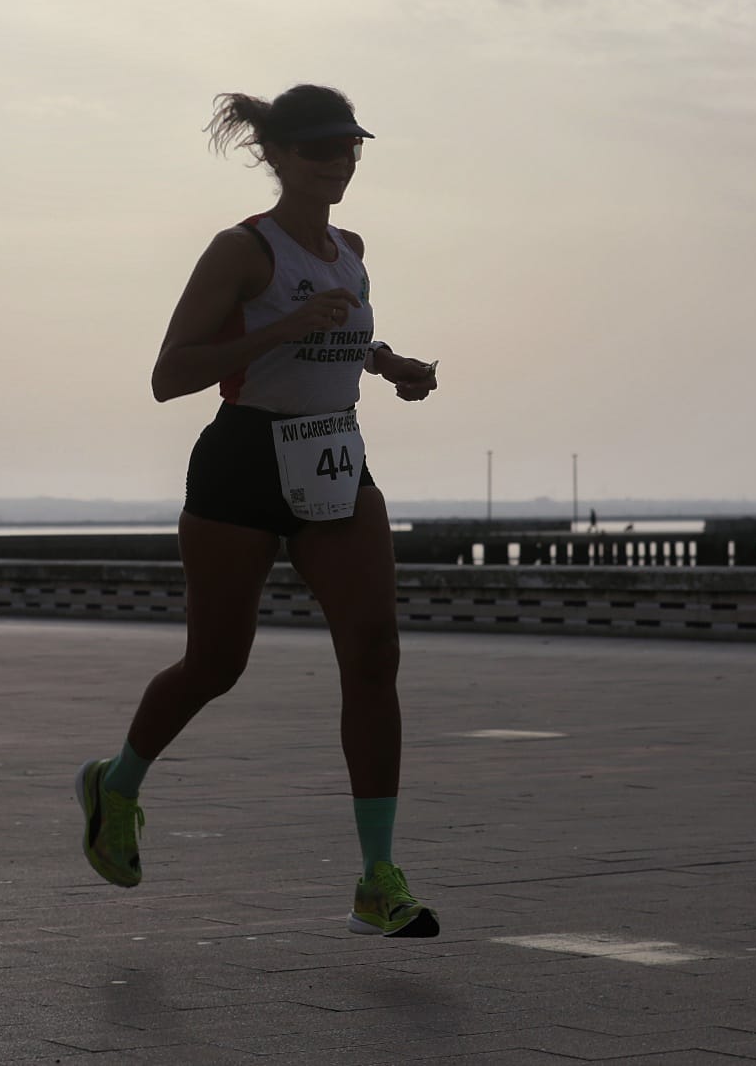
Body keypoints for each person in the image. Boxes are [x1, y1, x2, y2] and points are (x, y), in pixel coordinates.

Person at [74, 84, 443, 938]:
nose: (338, 160)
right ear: (275, 155)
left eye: (349, 145)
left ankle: (375, 875)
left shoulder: (350, 248)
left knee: (375, 650)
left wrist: (389, 363)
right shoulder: (240, 250)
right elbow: (171, 375)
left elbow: (337, 328)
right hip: (242, 464)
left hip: (333, 458)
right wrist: (278, 332)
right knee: (215, 664)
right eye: (318, 148)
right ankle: (117, 782)